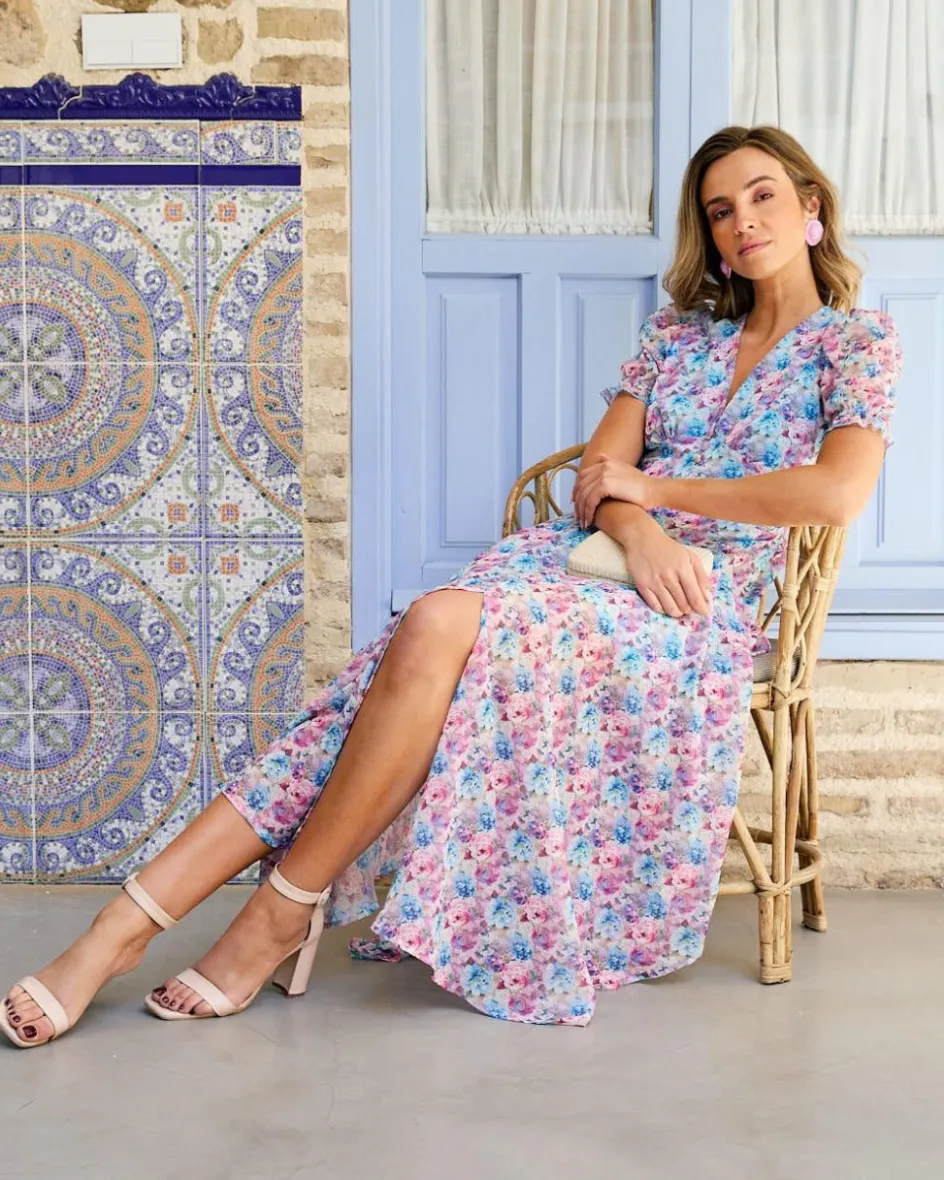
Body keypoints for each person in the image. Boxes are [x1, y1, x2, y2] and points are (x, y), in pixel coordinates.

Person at [1, 125, 902, 1045]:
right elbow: (597, 481)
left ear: (810, 206)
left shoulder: (856, 343)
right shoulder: (677, 338)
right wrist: (638, 531)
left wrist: (659, 495)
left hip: (697, 605)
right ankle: (206, 922)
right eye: (720, 210)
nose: (743, 221)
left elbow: (835, 493)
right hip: (588, 566)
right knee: (418, 639)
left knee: (429, 634)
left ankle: (171, 924)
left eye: (761, 196)